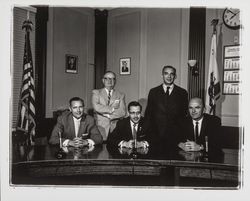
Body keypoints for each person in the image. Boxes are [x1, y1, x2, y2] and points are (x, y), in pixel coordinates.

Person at [144, 65, 188, 148]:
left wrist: (183, 138)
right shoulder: (153, 92)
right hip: (156, 136)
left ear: (175, 76)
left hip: (176, 138)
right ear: (162, 75)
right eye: (166, 73)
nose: (169, 76)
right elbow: (148, 114)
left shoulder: (182, 93)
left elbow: (184, 117)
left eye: (172, 74)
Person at [92, 71, 126, 140]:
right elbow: (97, 107)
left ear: (115, 81)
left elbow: (122, 112)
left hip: (115, 128)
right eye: (107, 78)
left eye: (112, 78)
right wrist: (112, 109)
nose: (109, 81)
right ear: (103, 80)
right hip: (100, 127)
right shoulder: (96, 92)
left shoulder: (120, 95)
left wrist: (108, 115)